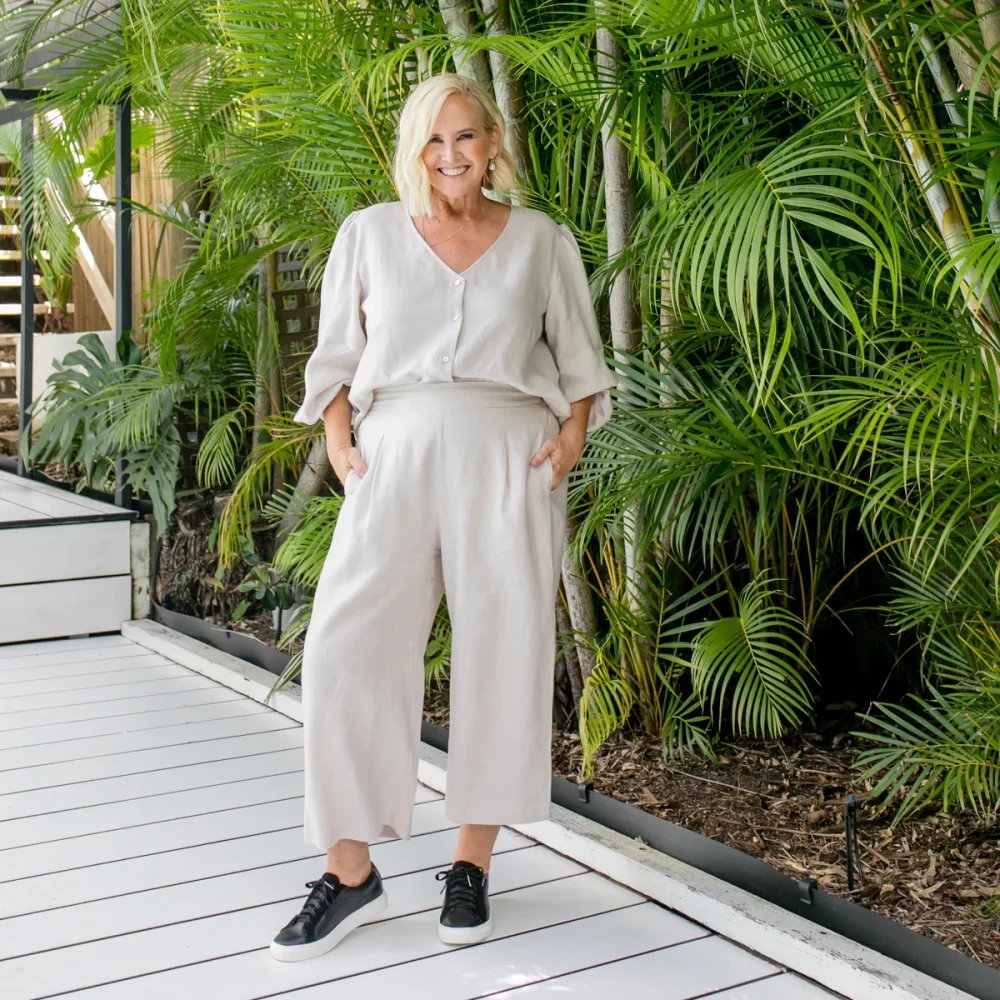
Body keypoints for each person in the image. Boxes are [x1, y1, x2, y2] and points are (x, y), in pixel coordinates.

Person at [269, 72, 617, 963]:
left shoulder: (541, 239)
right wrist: (343, 449)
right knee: (344, 646)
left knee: (503, 652)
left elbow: (578, 359)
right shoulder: (371, 234)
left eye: (467, 137)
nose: (453, 155)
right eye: (435, 140)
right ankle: (350, 873)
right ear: (413, 148)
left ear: (493, 141)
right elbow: (336, 358)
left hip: (508, 453)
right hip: (393, 453)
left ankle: (472, 863)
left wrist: (568, 443)